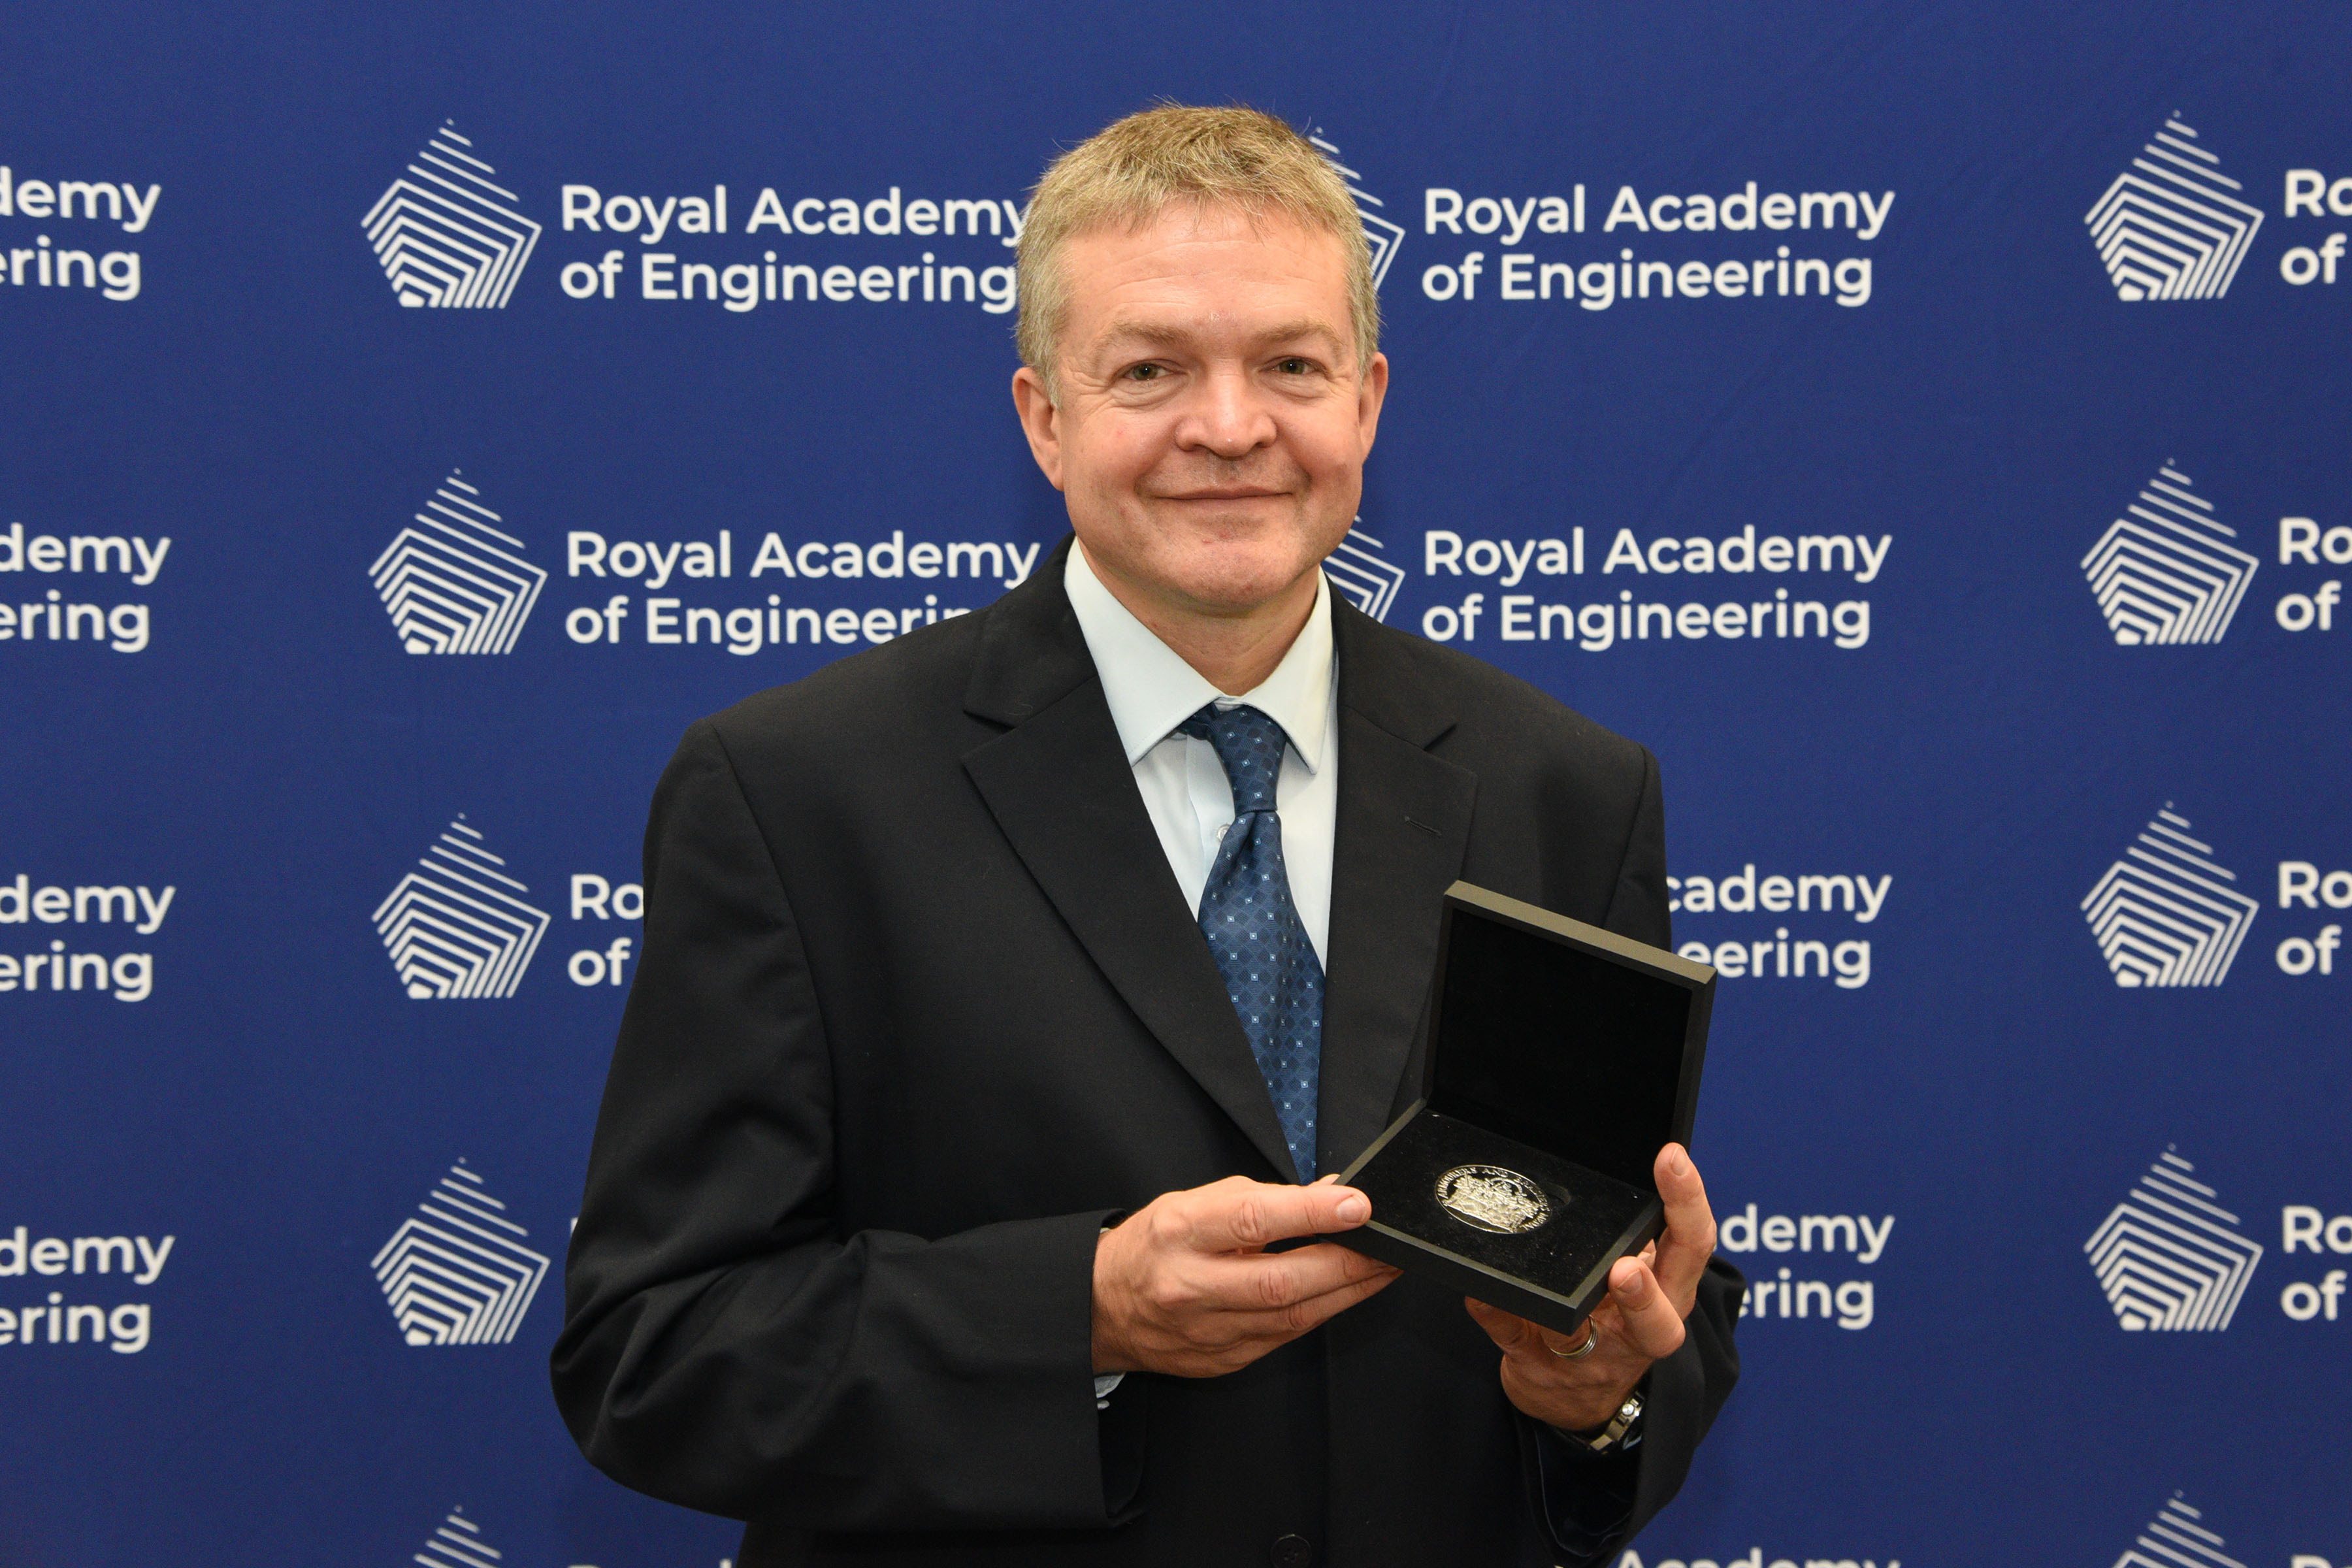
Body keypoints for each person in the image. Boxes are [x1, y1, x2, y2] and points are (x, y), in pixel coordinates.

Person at [553, 104, 1741, 1568]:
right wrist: (1084, 1312)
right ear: (1045, 416)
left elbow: (1638, 1276)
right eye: (1152, 369)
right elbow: (653, 1353)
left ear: (1366, 402)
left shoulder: (1567, 784)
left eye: (1290, 367)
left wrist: (1603, 1394)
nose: (1230, 426)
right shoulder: (799, 795)